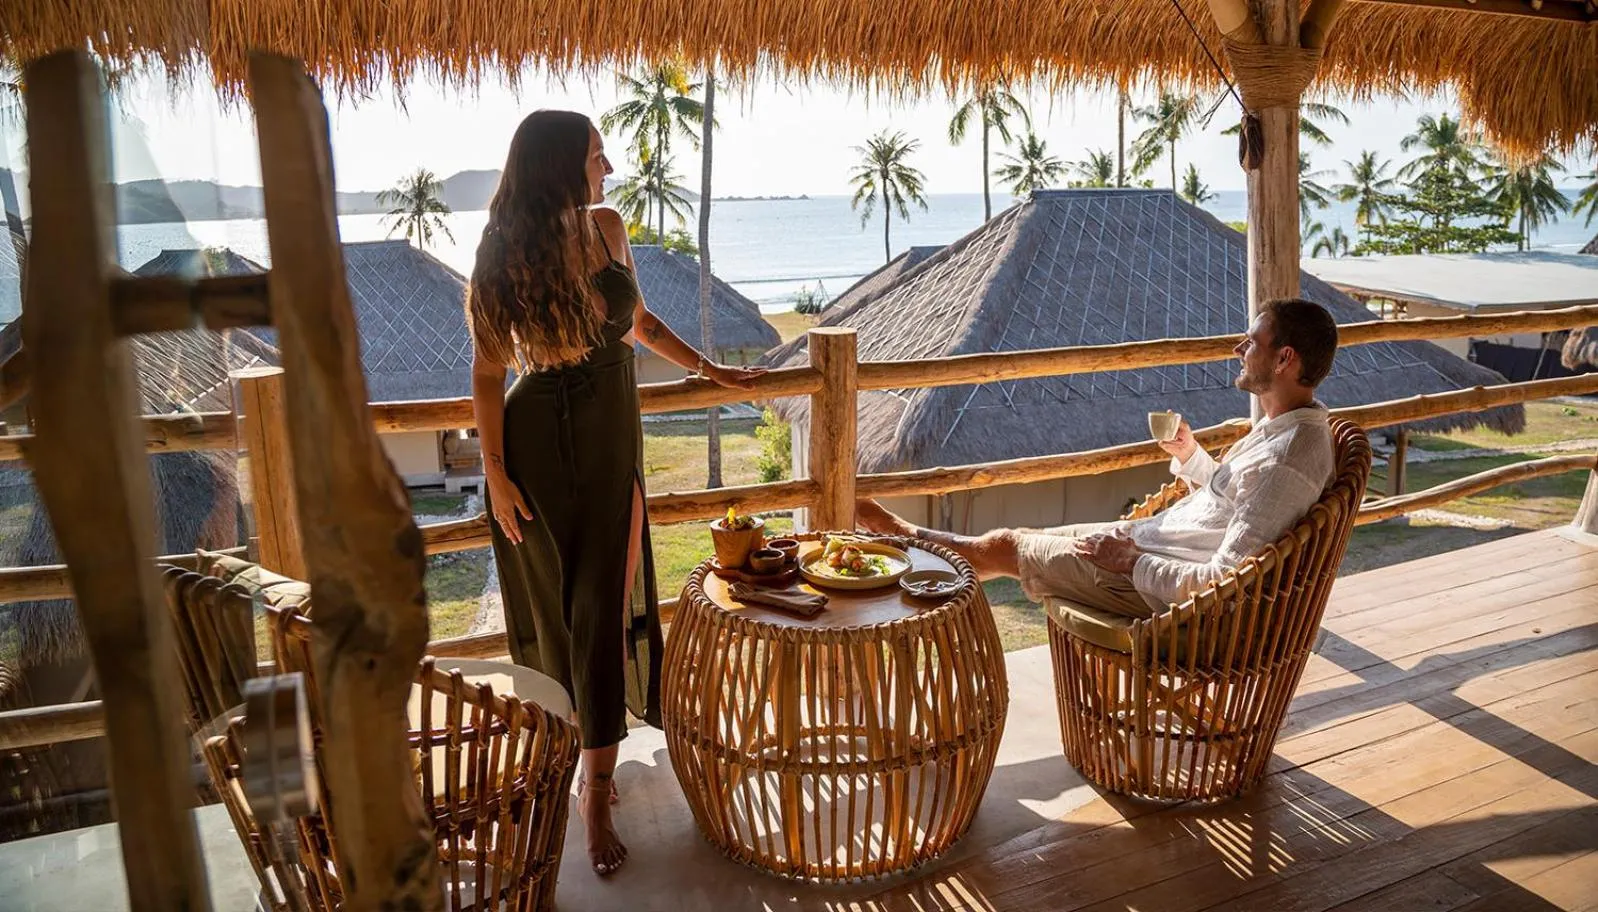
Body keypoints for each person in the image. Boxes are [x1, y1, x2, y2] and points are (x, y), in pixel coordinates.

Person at [467, 109, 764, 876]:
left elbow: (642, 322)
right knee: (560, 615)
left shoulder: (607, 228)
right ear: (560, 165)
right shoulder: (502, 249)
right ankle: (573, 765)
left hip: (608, 442)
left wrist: (712, 371)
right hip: (534, 445)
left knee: (601, 611)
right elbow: (490, 369)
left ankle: (593, 796)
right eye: (598, 157)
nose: (609, 170)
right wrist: (495, 472)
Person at [857, 297, 1340, 617]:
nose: (1239, 348)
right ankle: (916, 554)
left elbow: (1223, 584)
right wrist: (1192, 458)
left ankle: (902, 538)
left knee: (1006, 545)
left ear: (1283, 360)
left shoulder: (1288, 458)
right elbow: (1234, 505)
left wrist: (1130, 562)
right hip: (1148, 545)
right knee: (1020, 540)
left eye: (1252, 342)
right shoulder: (1285, 430)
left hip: (1151, 584)